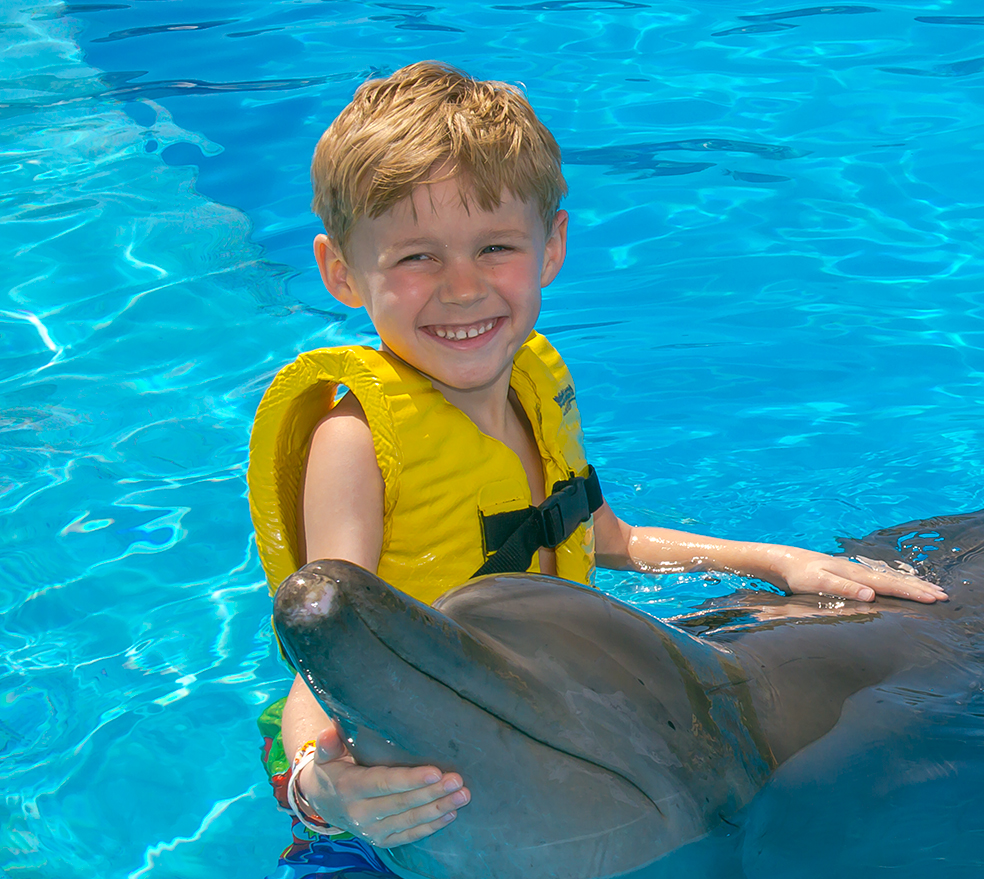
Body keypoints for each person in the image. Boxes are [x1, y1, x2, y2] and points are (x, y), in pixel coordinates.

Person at [245, 60, 946, 876]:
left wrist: (779, 561)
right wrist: (321, 788)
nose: (464, 288)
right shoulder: (355, 439)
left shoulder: (534, 385)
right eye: (416, 258)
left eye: (495, 247)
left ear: (552, 247)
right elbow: (333, 650)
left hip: (533, 728)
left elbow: (610, 536)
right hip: (386, 779)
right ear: (340, 272)